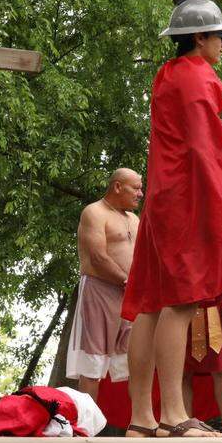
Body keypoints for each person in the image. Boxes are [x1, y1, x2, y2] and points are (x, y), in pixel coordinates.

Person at [121, 0, 222, 438]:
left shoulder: (167, 75)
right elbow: (203, 151)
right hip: (188, 200)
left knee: (151, 304)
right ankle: (175, 415)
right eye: (220, 35)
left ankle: (141, 417)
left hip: (161, 199)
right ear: (198, 37)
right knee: (181, 303)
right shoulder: (196, 78)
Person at [65, 168, 142, 402]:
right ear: (118, 186)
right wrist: (126, 281)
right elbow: (98, 257)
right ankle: (87, 430)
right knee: (92, 364)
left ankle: (139, 424)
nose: (140, 193)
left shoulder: (134, 219)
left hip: (131, 297)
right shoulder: (94, 212)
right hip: (100, 291)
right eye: (136, 188)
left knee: (135, 362)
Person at [182, 293, 222, 435]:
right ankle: (186, 425)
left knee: (220, 368)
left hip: (214, 302)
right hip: (183, 303)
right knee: (183, 372)